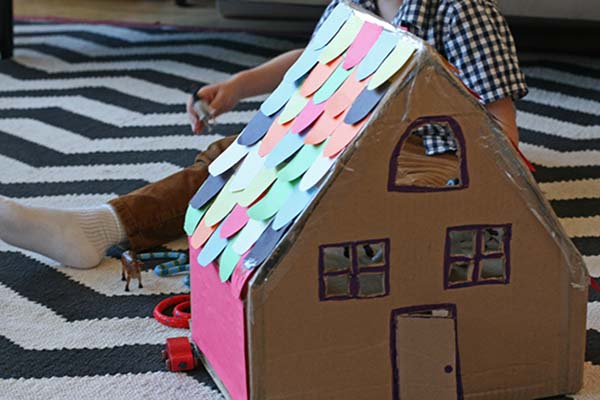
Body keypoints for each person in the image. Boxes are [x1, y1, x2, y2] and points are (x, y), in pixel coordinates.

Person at [0, 0, 527, 269]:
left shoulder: (463, 11)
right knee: (240, 153)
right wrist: (240, 86)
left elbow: (499, 132)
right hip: (360, 139)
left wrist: (480, 200)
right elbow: (319, 52)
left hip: (429, 162)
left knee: (261, 163)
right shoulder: (360, 4)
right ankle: (107, 225)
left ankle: (101, 228)